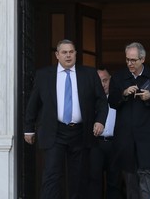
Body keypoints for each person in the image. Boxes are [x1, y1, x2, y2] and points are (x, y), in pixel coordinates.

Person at [24, 39, 109, 199]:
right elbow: (33, 103)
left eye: (71, 52)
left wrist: (100, 120)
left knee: (78, 179)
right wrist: (28, 128)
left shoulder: (89, 74)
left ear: (76, 54)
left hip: (80, 132)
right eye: (64, 52)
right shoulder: (44, 75)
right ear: (57, 55)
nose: (68, 55)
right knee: (52, 175)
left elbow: (102, 101)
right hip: (54, 131)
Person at [108, 42, 150, 199]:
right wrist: (123, 93)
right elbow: (111, 101)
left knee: (146, 172)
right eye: (127, 59)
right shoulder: (119, 76)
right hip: (125, 136)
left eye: (133, 60)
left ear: (143, 59)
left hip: (147, 136)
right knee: (129, 176)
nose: (130, 63)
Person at [88, 67, 122, 199]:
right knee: (94, 180)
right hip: (96, 144)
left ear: (110, 80)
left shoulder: (118, 99)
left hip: (115, 144)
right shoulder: (89, 101)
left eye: (105, 80)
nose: (102, 84)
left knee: (115, 182)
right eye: (99, 81)